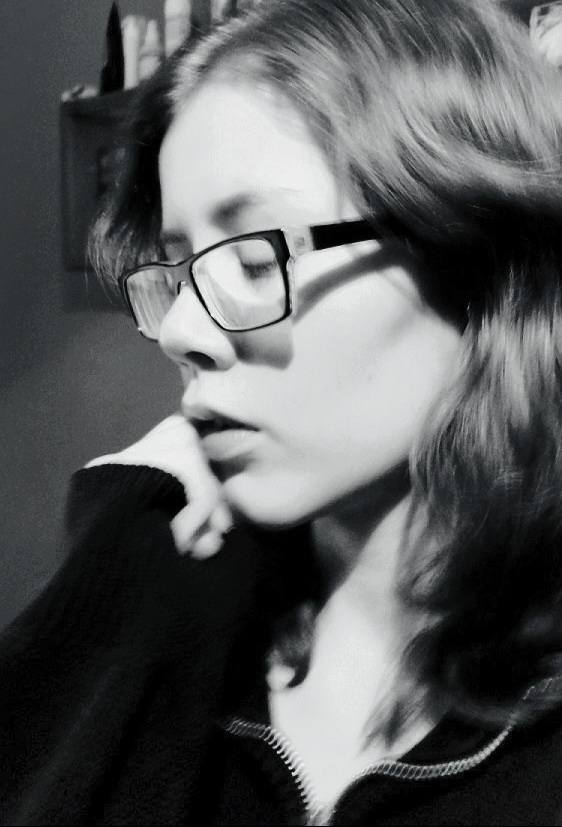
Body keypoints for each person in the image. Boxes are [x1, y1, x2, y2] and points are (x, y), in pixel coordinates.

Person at [2, 0, 562, 823]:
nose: (181, 332)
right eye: (178, 268)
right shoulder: (176, 637)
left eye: (257, 256)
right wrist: (121, 568)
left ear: (477, 259)